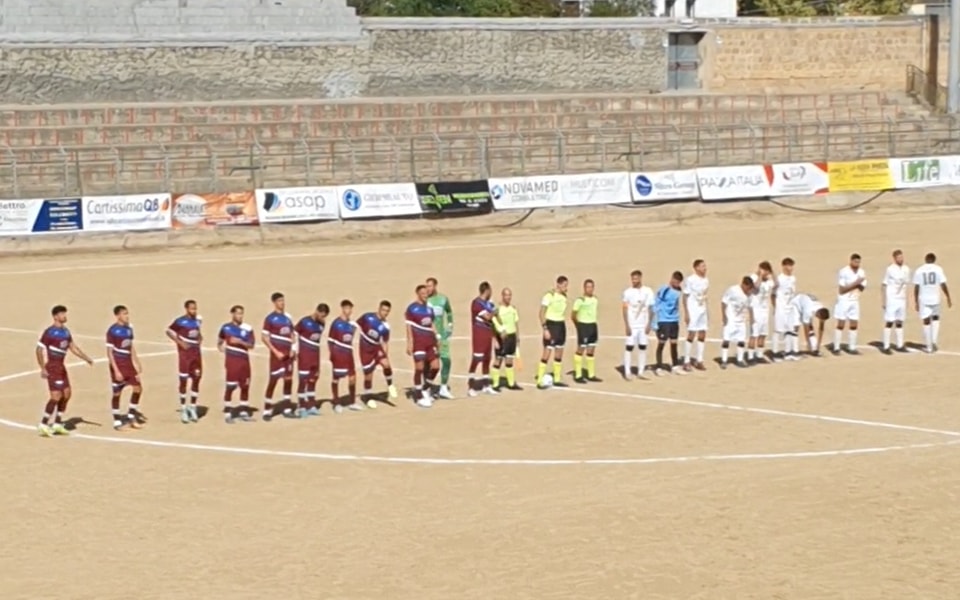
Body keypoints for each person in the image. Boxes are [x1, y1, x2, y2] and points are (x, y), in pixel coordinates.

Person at [36, 305, 93, 437]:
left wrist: (86, 358)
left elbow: (72, 347)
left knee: (67, 394)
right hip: (53, 367)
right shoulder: (49, 332)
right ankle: (43, 424)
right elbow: (39, 349)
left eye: (65, 313)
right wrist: (43, 368)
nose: (64, 316)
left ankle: (57, 423)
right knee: (56, 396)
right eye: (62, 314)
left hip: (61, 367)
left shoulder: (66, 331)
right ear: (55, 316)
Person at [106, 305, 145, 431]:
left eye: (127, 313)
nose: (127, 316)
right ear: (117, 316)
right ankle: (117, 420)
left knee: (138, 388)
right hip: (118, 363)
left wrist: (137, 361)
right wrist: (116, 370)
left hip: (128, 363)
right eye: (124, 314)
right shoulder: (112, 331)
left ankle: (131, 416)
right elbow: (109, 352)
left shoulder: (129, 329)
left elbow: (130, 346)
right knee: (117, 392)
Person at [165, 299, 203, 424]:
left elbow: (197, 333)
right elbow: (169, 331)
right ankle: (183, 408)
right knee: (183, 381)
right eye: (192, 308)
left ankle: (192, 406)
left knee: (196, 379)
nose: (194, 311)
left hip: (196, 355)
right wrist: (180, 342)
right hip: (185, 356)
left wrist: (200, 338)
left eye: (195, 308)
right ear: (186, 309)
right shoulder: (180, 321)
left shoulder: (197, 320)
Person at [261, 292, 297, 421]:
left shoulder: (287, 318)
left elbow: (292, 334)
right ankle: (266, 410)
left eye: (283, 300)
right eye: (280, 301)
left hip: (288, 356)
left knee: (288, 380)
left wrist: (293, 348)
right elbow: (264, 337)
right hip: (277, 356)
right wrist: (275, 352)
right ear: (274, 302)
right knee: (273, 381)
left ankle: (287, 408)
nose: (282, 303)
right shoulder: (270, 318)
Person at [218, 305, 255, 423]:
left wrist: (240, 342)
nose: (240, 316)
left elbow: (251, 345)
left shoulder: (248, 328)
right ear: (232, 314)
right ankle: (228, 412)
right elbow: (220, 341)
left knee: (245, 385)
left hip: (244, 360)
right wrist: (223, 349)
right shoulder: (226, 328)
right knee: (230, 386)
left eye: (242, 313)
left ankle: (243, 410)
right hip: (232, 361)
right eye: (238, 313)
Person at [358, 300, 398, 406]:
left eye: (387, 311)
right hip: (365, 349)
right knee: (368, 376)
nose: (385, 313)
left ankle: (390, 385)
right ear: (379, 309)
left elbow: (385, 341)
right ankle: (367, 397)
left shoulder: (386, 326)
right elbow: (356, 326)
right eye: (384, 310)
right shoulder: (367, 317)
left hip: (376, 347)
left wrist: (385, 354)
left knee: (386, 364)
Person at [406, 284, 440, 407]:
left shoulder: (429, 309)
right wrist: (410, 343)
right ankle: (419, 396)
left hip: (430, 342)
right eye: (423, 293)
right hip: (419, 342)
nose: (425, 295)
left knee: (436, 367)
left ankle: (426, 388)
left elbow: (432, 325)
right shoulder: (412, 308)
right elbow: (409, 327)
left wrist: (437, 337)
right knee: (419, 368)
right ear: (418, 294)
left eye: (426, 293)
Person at [913, 252, 952, 353]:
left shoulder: (919, 270)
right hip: (935, 298)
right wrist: (948, 296)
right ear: (934, 260)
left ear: (925, 260)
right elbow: (943, 284)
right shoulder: (938, 269)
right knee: (935, 318)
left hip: (924, 299)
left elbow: (916, 287)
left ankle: (929, 346)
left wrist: (916, 300)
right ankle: (934, 340)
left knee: (926, 321)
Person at [294, 303, 329, 417]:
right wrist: (294, 349)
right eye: (321, 315)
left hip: (315, 356)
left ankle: (311, 405)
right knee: (303, 380)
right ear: (317, 311)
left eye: (324, 316)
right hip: (304, 356)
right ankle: (301, 406)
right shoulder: (304, 322)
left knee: (313, 380)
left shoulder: (322, 324)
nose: (323, 318)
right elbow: (294, 333)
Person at [328, 299, 362, 412]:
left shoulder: (352, 325)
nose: (349, 310)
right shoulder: (336, 324)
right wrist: (332, 355)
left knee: (352, 378)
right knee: (336, 378)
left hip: (349, 354)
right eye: (347, 308)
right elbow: (330, 341)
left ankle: (352, 402)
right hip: (338, 354)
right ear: (342, 308)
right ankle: (336, 402)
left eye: (350, 308)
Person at [621, 269, 655, 380]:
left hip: (643, 324)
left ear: (640, 278)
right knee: (629, 347)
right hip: (632, 324)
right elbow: (625, 309)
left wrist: (649, 323)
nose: (634, 281)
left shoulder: (648, 291)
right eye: (632, 279)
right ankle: (627, 372)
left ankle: (641, 371)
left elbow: (651, 308)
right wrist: (627, 325)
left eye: (636, 278)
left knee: (643, 347)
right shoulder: (628, 292)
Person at [426, 277, 455, 399]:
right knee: (430, 364)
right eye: (426, 286)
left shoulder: (443, 299)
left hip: (442, 336)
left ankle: (443, 388)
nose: (428, 289)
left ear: (435, 286)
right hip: (429, 336)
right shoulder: (425, 301)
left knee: (447, 360)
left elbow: (449, 312)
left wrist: (450, 325)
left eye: (430, 286)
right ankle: (426, 389)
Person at [538, 275, 569, 388]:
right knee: (547, 353)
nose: (566, 288)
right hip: (551, 325)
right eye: (564, 285)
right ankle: (540, 379)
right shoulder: (549, 296)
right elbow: (541, 313)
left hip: (561, 325)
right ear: (558, 284)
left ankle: (556, 379)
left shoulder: (564, 296)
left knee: (559, 352)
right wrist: (545, 328)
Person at [467, 282, 498, 396]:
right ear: (487, 291)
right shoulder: (477, 304)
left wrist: (495, 337)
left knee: (487, 359)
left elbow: (492, 321)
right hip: (479, 334)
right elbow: (488, 317)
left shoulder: (489, 304)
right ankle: (471, 386)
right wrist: (496, 311)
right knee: (477, 359)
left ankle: (486, 385)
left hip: (488, 334)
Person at [833, 253, 866, 355]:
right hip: (844, 301)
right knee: (841, 324)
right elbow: (842, 290)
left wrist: (858, 285)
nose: (857, 264)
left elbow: (862, 287)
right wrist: (856, 283)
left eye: (858, 262)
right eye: (855, 261)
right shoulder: (844, 271)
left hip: (854, 300)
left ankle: (852, 347)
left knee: (854, 324)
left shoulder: (861, 272)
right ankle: (836, 347)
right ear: (851, 261)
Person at [653, 272, 685, 376]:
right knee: (661, 343)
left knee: (674, 343)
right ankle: (658, 367)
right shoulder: (664, 289)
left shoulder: (679, 291)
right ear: (672, 279)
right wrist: (654, 322)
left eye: (678, 282)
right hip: (663, 320)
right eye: (675, 281)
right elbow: (656, 304)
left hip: (674, 320)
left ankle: (675, 365)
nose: (676, 283)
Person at [719, 276, 755, 369]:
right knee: (726, 339)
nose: (749, 289)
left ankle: (740, 359)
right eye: (748, 287)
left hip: (741, 320)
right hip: (730, 319)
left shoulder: (749, 294)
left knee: (741, 340)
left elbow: (750, 306)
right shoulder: (733, 290)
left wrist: (751, 318)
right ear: (743, 284)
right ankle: (724, 360)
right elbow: (724, 302)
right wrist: (724, 315)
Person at [881, 249, 911, 354]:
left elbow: (906, 285)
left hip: (901, 299)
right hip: (892, 299)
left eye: (902, 257)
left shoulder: (906, 269)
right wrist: (884, 300)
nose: (901, 259)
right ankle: (886, 346)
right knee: (889, 321)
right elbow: (884, 284)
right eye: (899, 257)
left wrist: (907, 299)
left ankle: (900, 344)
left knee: (900, 322)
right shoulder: (890, 269)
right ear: (894, 258)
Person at [491, 287, 522, 391]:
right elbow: (493, 324)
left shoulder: (513, 308)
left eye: (510, 295)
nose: (508, 297)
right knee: (498, 360)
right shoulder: (497, 309)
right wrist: (495, 339)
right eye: (506, 295)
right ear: (502, 296)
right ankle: (495, 384)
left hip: (511, 337)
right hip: (502, 338)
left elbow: (516, 323)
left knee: (509, 360)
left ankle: (511, 383)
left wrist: (517, 337)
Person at [572, 278, 601, 383]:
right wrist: (578, 326)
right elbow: (573, 315)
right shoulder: (580, 300)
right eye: (588, 287)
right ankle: (578, 374)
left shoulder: (595, 299)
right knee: (581, 349)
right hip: (583, 326)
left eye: (591, 287)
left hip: (593, 325)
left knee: (591, 350)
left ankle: (591, 374)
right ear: (584, 288)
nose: (590, 289)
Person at [682, 259, 709, 371]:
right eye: (702, 266)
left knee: (702, 334)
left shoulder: (706, 280)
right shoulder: (690, 280)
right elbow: (685, 296)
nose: (705, 268)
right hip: (693, 310)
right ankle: (686, 361)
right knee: (691, 334)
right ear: (696, 268)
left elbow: (704, 295)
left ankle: (699, 360)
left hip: (702, 310)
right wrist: (686, 313)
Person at [772, 257, 799, 361]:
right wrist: (776, 307)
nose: (790, 268)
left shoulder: (793, 278)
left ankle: (788, 352)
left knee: (789, 329)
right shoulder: (779, 279)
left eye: (791, 266)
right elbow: (773, 294)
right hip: (781, 308)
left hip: (790, 308)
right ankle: (775, 353)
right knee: (778, 330)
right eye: (788, 265)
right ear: (783, 266)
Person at [747, 262, 774, 364]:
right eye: (764, 270)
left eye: (767, 271)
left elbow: (776, 284)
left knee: (763, 334)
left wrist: (771, 274)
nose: (766, 273)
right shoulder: (753, 277)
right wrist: (760, 276)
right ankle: (750, 357)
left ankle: (759, 355)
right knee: (754, 334)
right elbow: (755, 287)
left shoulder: (769, 281)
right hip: (756, 310)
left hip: (765, 311)